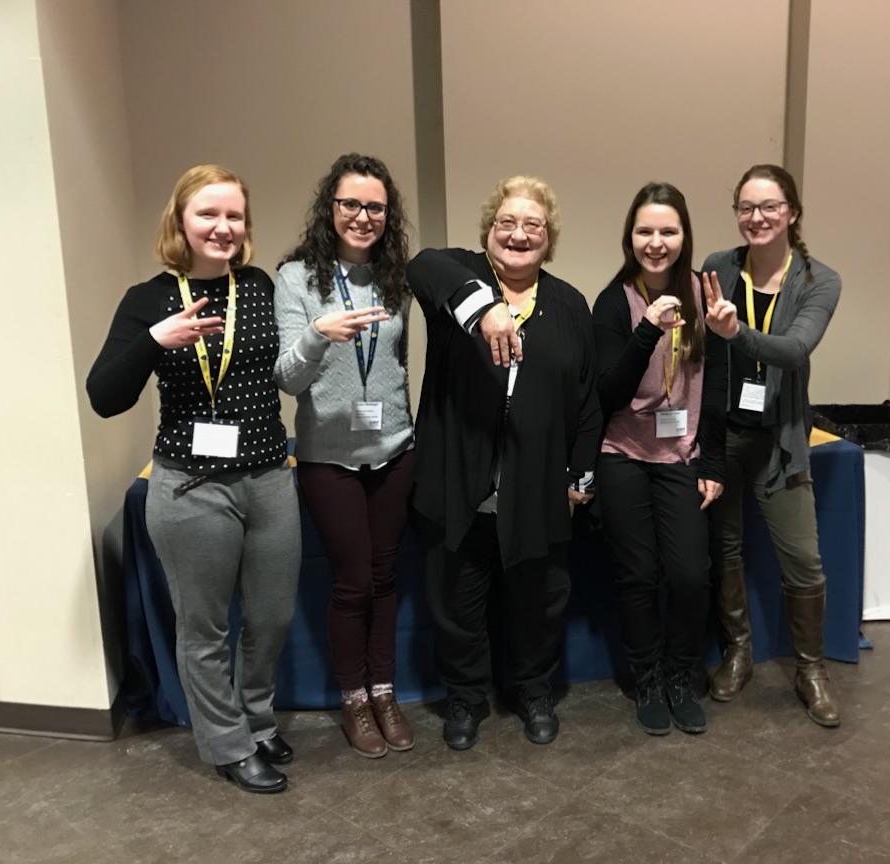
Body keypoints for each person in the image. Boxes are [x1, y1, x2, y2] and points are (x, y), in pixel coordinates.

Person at [87, 165, 301, 792]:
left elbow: (286, 369)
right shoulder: (148, 299)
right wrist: (157, 340)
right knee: (204, 627)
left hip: (268, 477)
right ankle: (228, 743)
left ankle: (258, 720)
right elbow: (105, 396)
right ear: (180, 219)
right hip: (189, 487)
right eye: (208, 213)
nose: (223, 227)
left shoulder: (259, 286)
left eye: (234, 215)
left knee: (271, 617)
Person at [407, 175, 602, 750]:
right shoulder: (461, 278)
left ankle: (533, 691)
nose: (518, 235)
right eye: (506, 223)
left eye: (532, 226)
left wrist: (580, 475)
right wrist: (483, 309)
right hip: (458, 481)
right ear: (489, 231)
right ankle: (466, 699)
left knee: (538, 603)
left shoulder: (568, 304)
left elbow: (587, 401)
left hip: (538, 487)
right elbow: (421, 263)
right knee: (455, 604)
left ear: (550, 238)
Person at [274, 153, 416, 759]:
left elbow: (399, 363)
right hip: (328, 456)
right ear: (330, 208)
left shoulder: (397, 277)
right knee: (353, 580)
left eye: (375, 207)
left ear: (388, 214)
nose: (363, 216)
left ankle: (384, 691)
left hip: (393, 450)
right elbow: (287, 378)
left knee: (385, 578)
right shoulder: (295, 278)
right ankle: (352, 699)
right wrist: (316, 336)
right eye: (350, 204)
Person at [701, 163, 843, 727]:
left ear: (792, 212)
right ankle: (738, 653)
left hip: (780, 439)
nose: (756, 218)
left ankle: (811, 670)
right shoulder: (718, 267)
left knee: (804, 561)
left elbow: (794, 349)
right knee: (725, 549)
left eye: (769, 207)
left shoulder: (818, 280)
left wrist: (738, 334)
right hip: (724, 435)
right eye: (746, 208)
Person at [592, 182, 724, 736]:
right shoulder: (612, 300)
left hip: (680, 456)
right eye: (645, 231)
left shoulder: (703, 293)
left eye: (668, 231)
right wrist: (648, 330)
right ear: (630, 237)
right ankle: (646, 678)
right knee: (637, 575)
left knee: (691, 575)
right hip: (622, 453)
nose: (656, 242)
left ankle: (680, 675)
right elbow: (606, 392)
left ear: (684, 236)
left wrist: (713, 463)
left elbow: (716, 385)